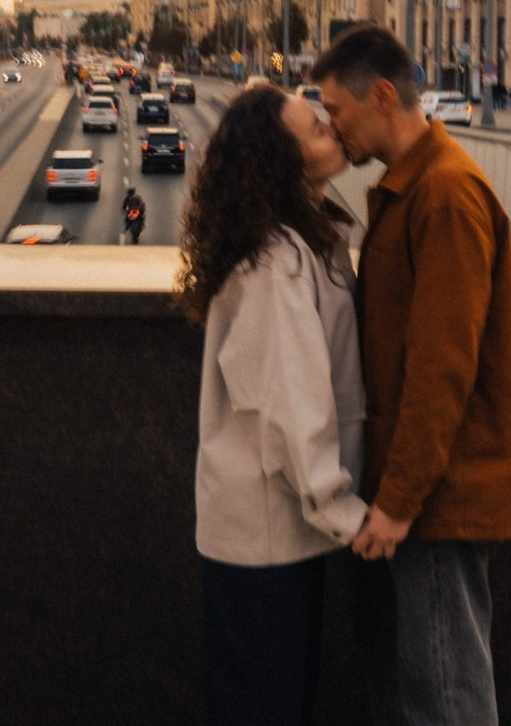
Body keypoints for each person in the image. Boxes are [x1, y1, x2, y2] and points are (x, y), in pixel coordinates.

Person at [311, 24, 511, 726]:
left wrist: (400, 502)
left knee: (447, 698)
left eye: (336, 111)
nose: (332, 127)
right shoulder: (413, 187)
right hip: (417, 493)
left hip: (441, 500)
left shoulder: (445, 194)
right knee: (411, 689)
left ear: (382, 96)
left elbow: (441, 371)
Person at [178, 84, 367, 726]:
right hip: (267, 543)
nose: (333, 132)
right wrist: (344, 511)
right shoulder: (274, 264)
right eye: (316, 129)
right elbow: (292, 404)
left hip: (283, 533)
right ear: (279, 162)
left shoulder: (301, 241)